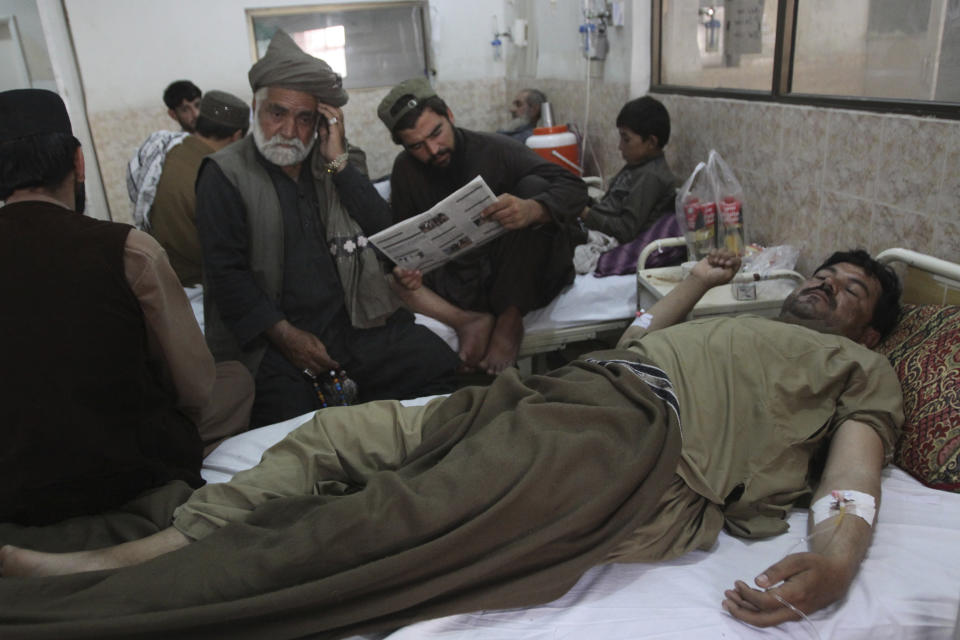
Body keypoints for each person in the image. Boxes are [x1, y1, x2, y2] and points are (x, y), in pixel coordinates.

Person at [0, 246, 904, 637]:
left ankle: (104, 594)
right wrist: (699, 284)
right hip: (570, 393)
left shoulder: (860, 374)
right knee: (332, 440)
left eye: (850, 291)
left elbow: (852, 482)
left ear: (866, 336)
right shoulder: (736, 319)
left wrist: (836, 565)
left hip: (634, 447)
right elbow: (639, 346)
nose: (826, 286)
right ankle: (145, 553)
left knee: (381, 522)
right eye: (825, 274)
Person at [0, 88, 254, 527]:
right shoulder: (127, 250)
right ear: (79, 163)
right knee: (235, 378)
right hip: (122, 472)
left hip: (13, 483)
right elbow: (193, 387)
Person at [196, 32, 459, 428]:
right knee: (296, 427)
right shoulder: (225, 174)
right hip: (275, 340)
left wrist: (337, 160)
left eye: (304, 118)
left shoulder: (333, 163)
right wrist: (287, 338)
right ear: (256, 108)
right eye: (277, 113)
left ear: (321, 121)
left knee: (438, 365)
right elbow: (226, 277)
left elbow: (384, 234)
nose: (289, 130)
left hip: (352, 326)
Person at [380, 78, 589, 374]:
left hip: (512, 271)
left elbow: (575, 188)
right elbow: (406, 239)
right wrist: (408, 268)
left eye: (437, 133)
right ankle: (468, 320)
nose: (433, 149)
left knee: (533, 186)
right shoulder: (405, 171)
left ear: (449, 115)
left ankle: (510, 317)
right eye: (417, 146)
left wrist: (532, 210)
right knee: (388, 280)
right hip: (456, 277)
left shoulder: (495, 149)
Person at [148, 90, 250, 287]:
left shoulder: (170, 153)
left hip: (170, 279)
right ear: (237, 136)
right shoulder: (215, 175)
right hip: (200, 285)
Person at [580, 96, 677, 244]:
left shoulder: (651, 176)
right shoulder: (637, 165)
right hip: (597, 229)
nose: (620, 146)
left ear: (651, 142)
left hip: (610, 242)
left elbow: (626, 230)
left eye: (626, 139)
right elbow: (609, 208)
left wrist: (585, 213)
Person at [127, 80, 203, 232]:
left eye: (197, 105)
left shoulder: (218, 139)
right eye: (185, 109)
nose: (195, 114)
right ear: (173, 114)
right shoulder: (173, 150)